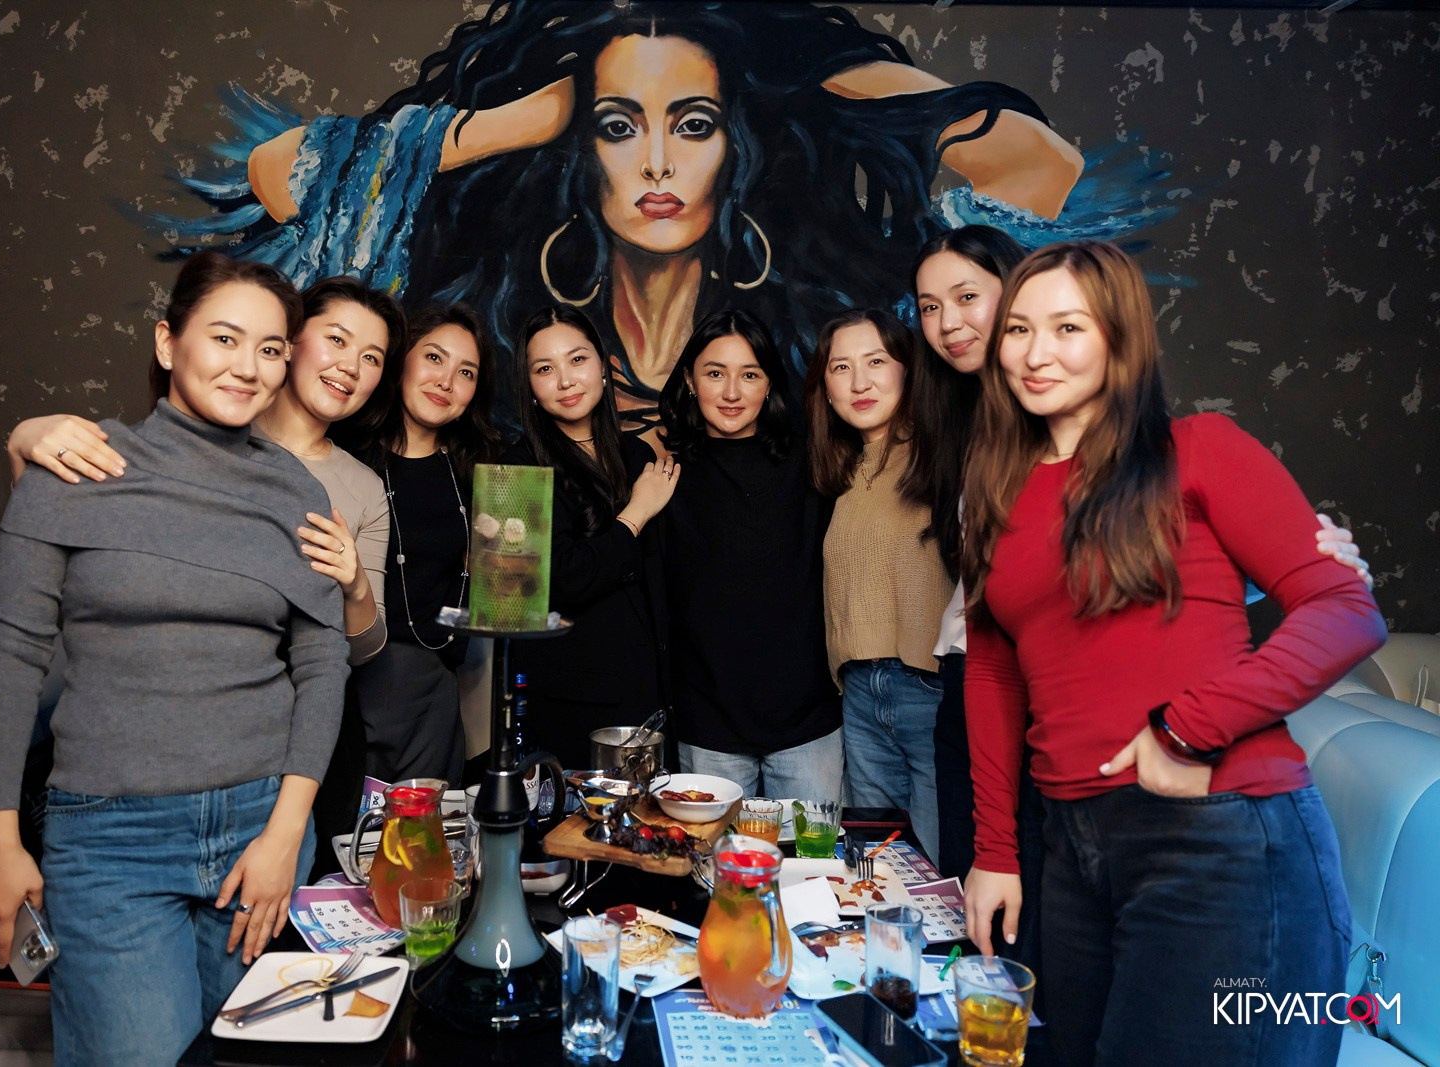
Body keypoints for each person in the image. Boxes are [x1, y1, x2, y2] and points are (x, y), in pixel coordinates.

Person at [176, 1, 1090, 432]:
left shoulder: (801, 339)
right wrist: (532, 117)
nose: (656, 163)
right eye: (618, 128)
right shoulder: (527, 339)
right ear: (584, 151)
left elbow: (1043, 166)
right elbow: (280, 175)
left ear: (735, 145)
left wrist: (806, 67)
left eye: (693, 125)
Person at [959, 241, 1386, 1066]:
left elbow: (1345, 610)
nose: (1036, 353)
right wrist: (995, 851)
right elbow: (994, 670)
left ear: (1119, 338)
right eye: (1017, 329)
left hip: (1216, 834)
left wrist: (1183, 728)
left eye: (1068, 327)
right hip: (1072, 842)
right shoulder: (996, 491)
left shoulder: (1199, 448)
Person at [0, 252, 350, 1064]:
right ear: (168, 343)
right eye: (225, 337)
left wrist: (286, 835)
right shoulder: (74, 462)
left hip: (258, 829)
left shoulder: (296, 493)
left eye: (271, 349)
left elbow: (323, 664)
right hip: (110, 840)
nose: (248, 367)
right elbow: (13, 655)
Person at [5, 276, 406, 877]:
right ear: (289, 343)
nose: (350, 366)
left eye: (371, 357)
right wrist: (23, 442)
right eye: (338, 340)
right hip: (138, 744)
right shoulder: (196, 427)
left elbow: (359, 650)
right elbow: (59, 551)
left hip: (283, 742)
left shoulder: (362, 488)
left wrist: (353, 585)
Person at [657, 309, 840, 798]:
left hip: (808, 725)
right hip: (707, 727)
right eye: (715, 373)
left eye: (750, 375)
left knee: (816, 851)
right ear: (690, 381)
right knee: (711, 854)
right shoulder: (665, 476)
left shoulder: (813, 461)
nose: (732, 393)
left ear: (769, 384)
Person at [803, 309, 953, 863]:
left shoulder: (945, 455)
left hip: (931, 688)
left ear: (908, 370)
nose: (860, 382)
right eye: (841, 368)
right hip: (860, 694)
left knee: (941, 866)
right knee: (878, 868)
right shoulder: (837, 472)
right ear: (826, 387)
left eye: (876, 362)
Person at [500, 307, 678, 769]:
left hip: (652, 693)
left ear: (603, 366)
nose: (565, 380)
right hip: (572, 705)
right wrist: (635, 514)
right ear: (530, 387)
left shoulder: (637, 455)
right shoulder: (514, 468)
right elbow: (558, 581)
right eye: (545, 369)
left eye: (577, 359)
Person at [347, 303, 500, 785]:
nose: (446, 381)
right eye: (434, 357)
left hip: (433, 694)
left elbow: (503, 603)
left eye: (466, 372)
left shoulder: (478, 475)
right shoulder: (345, 455)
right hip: (345, 689)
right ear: (401, 360)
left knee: (425, 830)